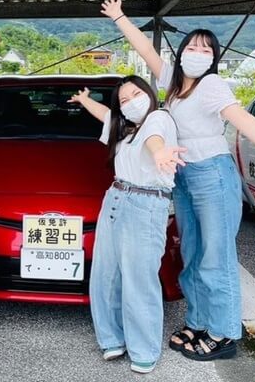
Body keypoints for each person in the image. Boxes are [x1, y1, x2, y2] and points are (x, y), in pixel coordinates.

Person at [101, 0, 255, 362]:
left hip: (213, 176)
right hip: (184, 179)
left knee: (216, 257)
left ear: (213, 57)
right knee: (193, 255)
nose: (197, 52)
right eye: (192, 46)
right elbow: (146, 49)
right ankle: (199, 322)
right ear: (182, 51)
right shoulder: (172, 84)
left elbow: (242, 120)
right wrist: (120, 18)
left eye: (206, 48)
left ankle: (223, 334)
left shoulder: (212, 85)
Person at [69, 76, 185, 373]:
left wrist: (160, 153)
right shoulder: (125, 129)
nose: (131, 102)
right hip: (116, 198)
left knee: (139, 279)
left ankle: (144, 349)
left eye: (136, 94)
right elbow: (107, 115)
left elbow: (154, 140)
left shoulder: (158, 119)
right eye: (123, 100)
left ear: (149, 93)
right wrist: (84, 101)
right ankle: (112, 339)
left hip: (146, 203)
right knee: (105, 275)